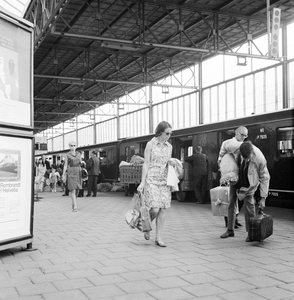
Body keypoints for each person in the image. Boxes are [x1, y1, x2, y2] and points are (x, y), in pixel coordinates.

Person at [221, 141, 270, 241]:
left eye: (249, 158)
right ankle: (230, 230)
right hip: (236, 178)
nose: (247, 160)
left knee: (249, 206)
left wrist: (263, 198)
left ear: (252, 152)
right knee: (231, 202)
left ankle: (251, 233)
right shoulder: (234, 147)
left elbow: (265, 178)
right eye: (245, 158)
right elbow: (224, 146)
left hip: (249, 182)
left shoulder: (260, 159)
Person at [137, 121, 175, 247]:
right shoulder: (150, 144)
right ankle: (146, 226)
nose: (169, 136)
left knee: (163, 209)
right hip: (151, 180)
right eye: (167, 133)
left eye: (170, 133)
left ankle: (158, 237)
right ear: (159, 132)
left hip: (164, 181)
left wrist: (173, 163)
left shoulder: (169, 147)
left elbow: (166, 162)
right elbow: (146, 163)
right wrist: (142, 182)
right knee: (154, 209)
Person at [218, 126, 248, 229]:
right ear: (236, 133)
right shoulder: (227, 143)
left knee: (239, 198)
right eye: (242, 134)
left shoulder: (243, 145)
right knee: (229, 199)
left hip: (240, 174)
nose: (244, 137)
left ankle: (234, 218)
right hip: (229, 175)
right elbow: (220, 158)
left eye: (245, 135)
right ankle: (229, 221)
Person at [62, 141, 82, 212]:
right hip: (71, 172)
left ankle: (73, 202)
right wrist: (63, 174)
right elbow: (65, 165)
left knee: (77, 189)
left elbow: (80, 162)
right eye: (71, 145)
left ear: (76, 146)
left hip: (78, 172)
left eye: (74, 145)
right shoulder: (67, 155)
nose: (72, 147)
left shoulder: (79, 154)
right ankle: (75, 206)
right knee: (73, 189)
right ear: (69, 146)